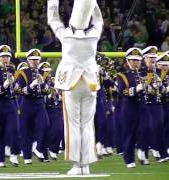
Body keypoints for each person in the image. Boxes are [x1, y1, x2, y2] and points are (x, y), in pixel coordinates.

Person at [47, 0, 103, 175]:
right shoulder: (94, 35)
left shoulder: (66, 35)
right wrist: (91, 4)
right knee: (87, 124)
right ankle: (85, 165)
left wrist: (53, 1)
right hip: (90, 83)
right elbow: (99, 20)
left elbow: (53, 18)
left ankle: (77, 165)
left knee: (73, 123)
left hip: (71, 83)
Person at [16, 48, 50, 164]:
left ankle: (38, 148)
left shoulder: (44, 73)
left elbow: (47, 91)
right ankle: (27, 157)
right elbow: (20, 91)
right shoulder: (22, 73)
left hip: (39, 103)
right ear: (28, 60)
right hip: (26, 103)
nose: (35, 62)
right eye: (32, 59)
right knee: (26, 130)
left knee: (45, 125)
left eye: (37, 60)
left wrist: (43, 83)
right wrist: (32, 85)